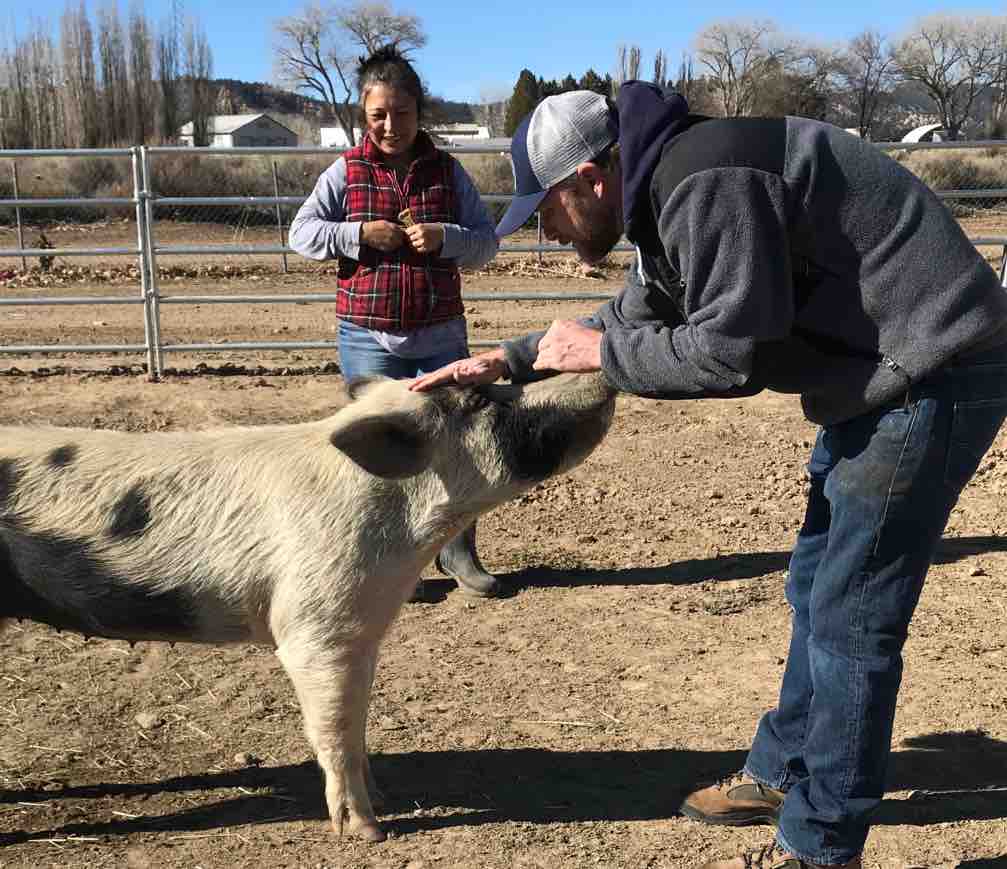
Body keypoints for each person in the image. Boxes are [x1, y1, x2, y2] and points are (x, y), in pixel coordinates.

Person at [411, 83, 1007, 868]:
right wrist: (510, 359)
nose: (547, 232)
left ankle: (821, 844)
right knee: (814, 584)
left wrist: (600, 356)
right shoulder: (671, 186)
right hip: (881, 372)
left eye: (547, 207)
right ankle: (781, 770)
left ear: (592, 179)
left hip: (933, 366)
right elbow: (641, 312)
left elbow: (730, 355)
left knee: (852, 616)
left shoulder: (707, 180)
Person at [289, 45, 501, 599]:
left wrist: (446, 238)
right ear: (364, 114)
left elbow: (486, 244)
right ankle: (386, 565)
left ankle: (459, 553)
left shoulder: (448, 173)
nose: (389, 125)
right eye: (377, 115)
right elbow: (302, 233)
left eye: (401, 113)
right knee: (373, 451)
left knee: (458, 442)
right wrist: (357, 233)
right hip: (366, 334)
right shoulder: (345, 172)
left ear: (418, 111)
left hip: (440, 332)